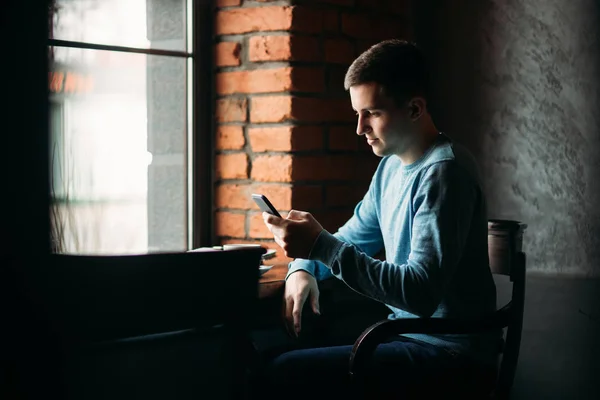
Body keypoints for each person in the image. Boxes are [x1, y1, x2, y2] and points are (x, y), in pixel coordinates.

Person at [254, 39, 500, 399]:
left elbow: (419, 294)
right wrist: (303, 267)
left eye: (372, 113)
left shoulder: (446, 173)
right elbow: (349, 237)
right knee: (270, 356)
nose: (360, 128)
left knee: (281, 371)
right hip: (404, 338)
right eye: (357, 113)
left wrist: (320, 246)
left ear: (415, 109)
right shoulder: (389, 169)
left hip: (451, 355)